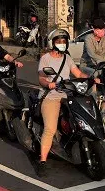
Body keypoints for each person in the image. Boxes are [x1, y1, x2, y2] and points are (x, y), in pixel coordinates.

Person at [37, 29, 86, 177]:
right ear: (52, 43)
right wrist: (48, 83)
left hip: (67, 95)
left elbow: (77, 73)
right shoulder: (45, 58)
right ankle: (43, 161)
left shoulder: (68, 58)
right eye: (59, 41)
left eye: (64, 41)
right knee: (50, 129)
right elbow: (41, 78)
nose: (62, 44)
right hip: (50, 96)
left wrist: (90, 79)